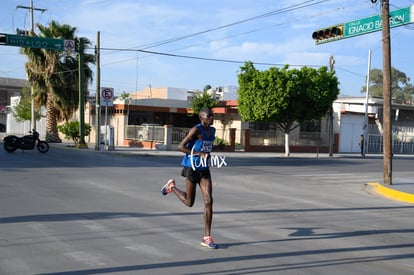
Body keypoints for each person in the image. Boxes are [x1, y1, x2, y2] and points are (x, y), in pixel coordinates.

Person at [161, 108, 218, 249]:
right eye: (208, 116)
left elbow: (208, 146)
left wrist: (212, 150)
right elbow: (181, 147)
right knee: (189, 202)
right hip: (191, 167)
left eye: (212, 116)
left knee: (209, 200)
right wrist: (199, 154)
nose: (211, 118)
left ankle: (207, 237)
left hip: (204, 169)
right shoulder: (196, 130)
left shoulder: (213, 130)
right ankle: (171, 187)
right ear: (201, 118)